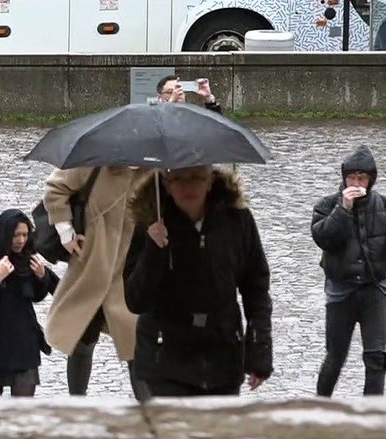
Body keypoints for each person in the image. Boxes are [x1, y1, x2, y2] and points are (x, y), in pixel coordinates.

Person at [124, 164, 273, 397]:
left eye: (197, 177)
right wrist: (154, 250)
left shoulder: (237, 220)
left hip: (223, 356)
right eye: (179, 178)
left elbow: (256, 288)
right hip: (165, 361)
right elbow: (136, 300)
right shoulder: (151, 223)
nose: (189, 186)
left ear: (210, 180)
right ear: (166, 183)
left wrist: (259, 351)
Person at [43, 164, 154, 398]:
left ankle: (149, 415)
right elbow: (56, 188)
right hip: (93, 268)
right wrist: (66, 233)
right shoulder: (93, 165)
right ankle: (78, 404)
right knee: (82, 339)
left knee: (137, 346)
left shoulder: (157, 174)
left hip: (133, 272)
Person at [311, 145, 386, 397]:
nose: (356, 183)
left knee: (376, 358)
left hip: (374, 291)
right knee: (335, 357)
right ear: (344, 178)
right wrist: (343, 209)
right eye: (352, 177)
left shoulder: (384, 205)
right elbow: (324, 238)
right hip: (340, 292)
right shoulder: (326, 205)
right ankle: (320, 406)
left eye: (362, 178)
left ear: (371, 179)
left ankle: (371, 416)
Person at [0, 209, 56, 397]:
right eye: (16, 235)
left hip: (23, 343)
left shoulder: (28, 259)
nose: (21, 240)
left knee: (22, 412)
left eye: (25, 235)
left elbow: (36, 296)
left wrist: (41, 276)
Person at [156, 75, 222, 114]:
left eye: (179, 90)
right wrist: (170, 104)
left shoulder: (192, 114)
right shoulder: (155, 115)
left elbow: (216, 127)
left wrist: (209, 100)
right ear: (159, 97)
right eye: (170, 92)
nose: (177, 94)